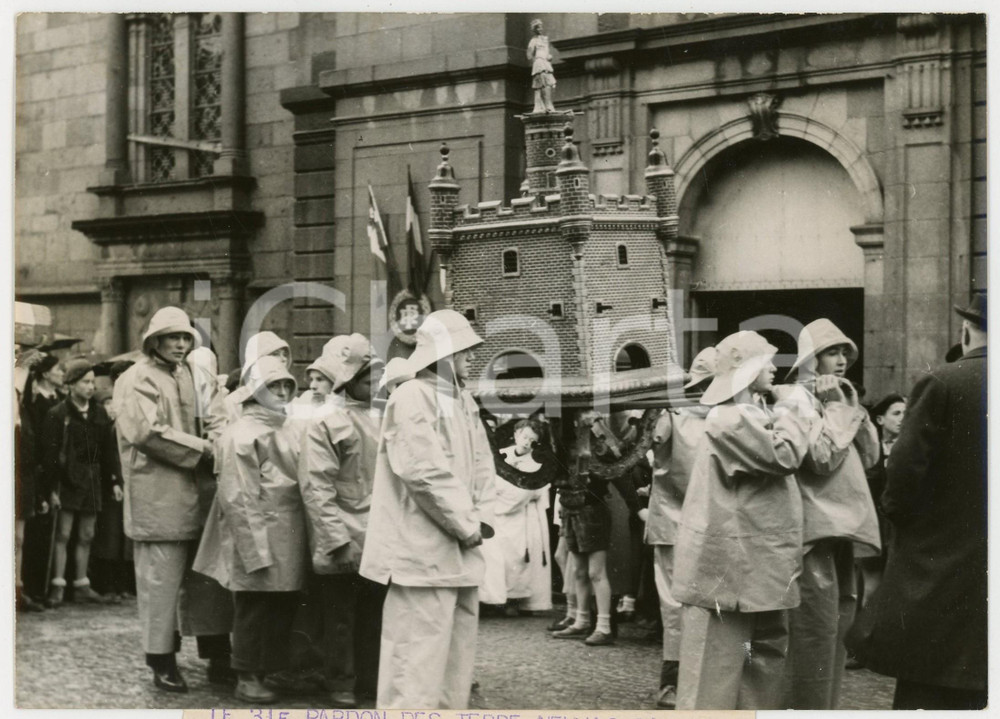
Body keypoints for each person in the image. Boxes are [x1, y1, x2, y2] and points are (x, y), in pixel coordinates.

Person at [359, 309, 496, 709]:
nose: (470, 360)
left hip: (461, 553)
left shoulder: (464, 401)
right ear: (445, 354)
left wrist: (481, 521)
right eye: (465, 352)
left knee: (454, 669)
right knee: (414, 665)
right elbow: (422, 472)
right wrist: (466, 524)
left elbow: (483, 465)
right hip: (418, 556)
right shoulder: (411, 397)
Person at [857, 294, 987, 710]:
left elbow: (904, 474)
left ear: (966, 331)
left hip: (943, 565)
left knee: (932, 687)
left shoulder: (944, 382)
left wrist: (903, 521)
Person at [673, 331, 810, 710]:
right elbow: (784, 456)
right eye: (765, 361)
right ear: (746, 371)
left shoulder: (749, 414)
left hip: (758, 565)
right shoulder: (728, 417)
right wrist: (793, 410)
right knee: (715, 672)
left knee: (761, 664)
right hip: (732, 569)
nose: (772, 367)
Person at [113, 306, 230, 693]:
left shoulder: (195, 375)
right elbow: (146, 432)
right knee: (160, 584)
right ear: (155, 340)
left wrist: (220, 436)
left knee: (209, 580)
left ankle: (218, 655)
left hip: (201, 493)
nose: (180, 344)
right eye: (172, 337)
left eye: (185, 337)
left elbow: (217, 413)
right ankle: (160, 660)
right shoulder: (135, 379)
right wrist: (205, 448)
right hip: (159, 496)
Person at [193, 355, 308, 704]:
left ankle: (268, 669)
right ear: (256, 390)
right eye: (275, 385)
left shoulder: (288, 426)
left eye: (287, 384)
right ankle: (247, 674)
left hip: (287, 530)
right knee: (253, 606)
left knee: (278, 605)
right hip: (258, 531)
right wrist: (253, 548)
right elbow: (238, 496)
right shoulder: (240, 433)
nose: (283, 391)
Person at [781, 319, 880, 709]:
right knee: (813, 633)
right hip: (812, 533)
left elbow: (871, 458)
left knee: (835, 630)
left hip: (841, 531)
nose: (840, 361)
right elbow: (820, 460)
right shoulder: (794, 399)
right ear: (811, 358)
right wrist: (839, 408)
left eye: (844, 353)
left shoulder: (840, 395)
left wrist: (849, 408)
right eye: (831, 352)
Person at [298, 334, 386, 708]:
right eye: (369, 381)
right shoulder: (326, 422)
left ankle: (370, 679)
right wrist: (335, 538)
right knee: (339, 617)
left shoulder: (381, 416)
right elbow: (316, 485)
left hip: (378, 535)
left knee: (373, 614)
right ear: (349, 381)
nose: (376, 386)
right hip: (342, 535)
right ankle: (340, 681)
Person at [645, 346, 716, 709]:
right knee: (681, 608)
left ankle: (683, 683)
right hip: (680, 522)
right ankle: (675, 682)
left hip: (697, 524)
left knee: (678, 608)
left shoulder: (725, 415)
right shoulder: (674, 414)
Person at [41, 359, 121, 607]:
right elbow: (50, 456)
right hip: (66, 480)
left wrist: (114, 480)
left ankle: (81, 584)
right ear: (71, 384)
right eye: (85, 382)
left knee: (87, 534)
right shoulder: (58, 414)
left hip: (92, 480)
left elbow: (108, 451)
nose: (90, 387)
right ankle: (57, 584)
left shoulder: (99, 413)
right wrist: (50, 489)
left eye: (92, 382)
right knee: (63, 533)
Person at [485, 419, 552, 616]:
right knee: (497, 557)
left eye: (532, 439)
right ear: (516, 435)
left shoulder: (536, 463)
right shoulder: (500, 456)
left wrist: (508, 494)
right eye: (524, 437)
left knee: (519, 558)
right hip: (498, 516)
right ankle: (494, 599)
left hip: (524, 516)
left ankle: (516, 599)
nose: (526, 442)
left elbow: (535, 490)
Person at [21, 354, 65, 605]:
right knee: (36, 532)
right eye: (58, 369)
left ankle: (44, 586)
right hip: (41, 470)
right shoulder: (36, 404)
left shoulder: (60, 400)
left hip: (55, 467)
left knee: (49, 530)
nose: (62, 374)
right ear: (46, 374)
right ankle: (33, 587)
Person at [858, 393, 906, 609]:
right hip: (874, 525)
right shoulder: (870, 450)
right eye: (896, 413)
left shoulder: (910, 450)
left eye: (907, 413)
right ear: (880, 420)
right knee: (872, 586)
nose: (902, 418)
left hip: (900, 528)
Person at [527, 19, 556, 113]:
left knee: (549, 83)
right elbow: (529, 55)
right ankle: (541, 106)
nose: (540, 29)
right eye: (538, 27)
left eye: (541, 27)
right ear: (534, 29)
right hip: (539, 63)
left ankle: (548, 105)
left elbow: (547, 52)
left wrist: (548, 57)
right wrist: (536, 60)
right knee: (541, 84)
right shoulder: (533, 41)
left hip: (546, 62)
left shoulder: (544, 40)